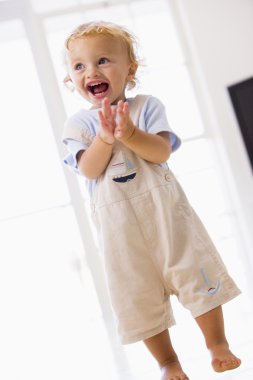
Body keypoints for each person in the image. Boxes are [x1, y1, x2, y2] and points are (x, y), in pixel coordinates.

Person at [61, 21, 241, 380]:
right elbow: (89, 169)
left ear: (130, 69)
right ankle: (168, 362)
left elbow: (160, 153)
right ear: (71, 79)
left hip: (167, 217)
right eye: (79, 66)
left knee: (195, 271)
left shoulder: (145, 107)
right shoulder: (79, 125)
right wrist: (106, 139)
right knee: (136, 295)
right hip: (120, 232)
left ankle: (216, 343)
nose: (91, 71)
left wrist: (128, 132)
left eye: (102, 61)